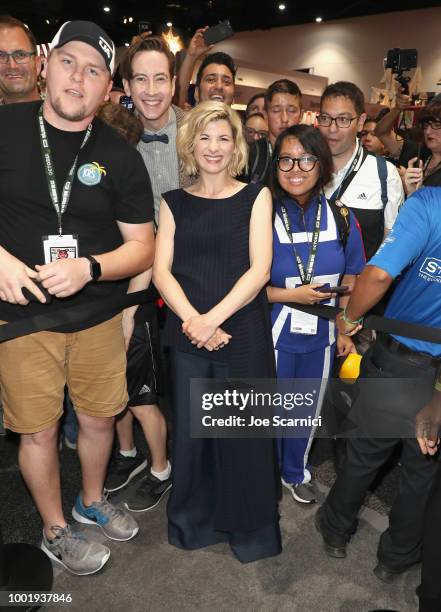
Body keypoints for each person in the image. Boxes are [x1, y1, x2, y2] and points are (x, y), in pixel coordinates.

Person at [0, 21, 155, 575]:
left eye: (93, 70)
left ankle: (90, 499)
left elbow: (142, 247)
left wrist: (90, 267)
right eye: (69, 62)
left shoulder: (121, 155)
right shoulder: (6, 126)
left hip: (95, 314)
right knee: (38, 428)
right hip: (22, 317)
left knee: (97, 419)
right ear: (45, 65)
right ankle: (54, 530)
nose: (78, 77)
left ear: (108, 87)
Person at [153, 100, 282, 563]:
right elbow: (161, 272)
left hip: (242, 332)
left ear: (236, 147)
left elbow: (259, 270)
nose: (213, 147)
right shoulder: (173, 202)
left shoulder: (256, 196)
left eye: (223, 137)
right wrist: (194, 322)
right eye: (205, 137)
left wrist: (212, 320)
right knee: (192, 436)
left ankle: (249, 532)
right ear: (191, 144)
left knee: (242, 435)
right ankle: (195, 524)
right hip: (188, 335)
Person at [316, 186, 441, 582]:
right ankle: (396, 557)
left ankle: (335, 529)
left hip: (398, 362)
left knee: (365, 452)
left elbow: (380, 273)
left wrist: (350, 318)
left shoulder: (429, 204)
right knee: (421, 473)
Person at [267, 125, 365, 503]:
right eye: (286, 159)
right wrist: (295, 294)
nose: (296, 168)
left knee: (305, 409)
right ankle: (264, 471)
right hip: (273, 327)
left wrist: (344, 327)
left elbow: (353, 274)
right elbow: (247, 282)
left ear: (322, 165)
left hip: (323, 332)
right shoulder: (263, 213)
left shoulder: (342, 216)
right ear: (275, 165)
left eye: (307, 159)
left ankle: (295, 470)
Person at [317, 81, 404, 261]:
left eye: (343, 119)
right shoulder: (304, 167)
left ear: (360, 122)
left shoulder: (384, 173)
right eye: (325, 118)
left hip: (361, 284)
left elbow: (391, 245)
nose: (332, 129)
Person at [245, 79, 302, 185]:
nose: (284, 119)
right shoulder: (250, 155)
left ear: (301, 115)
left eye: (291, 111)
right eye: (276, 111)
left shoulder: (310, 156)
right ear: (266, 115)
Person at [0, 15, 41, 105]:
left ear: (37, 65)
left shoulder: (63, 115)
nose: (12, 66)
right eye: (1, 56)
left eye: (20, 55)